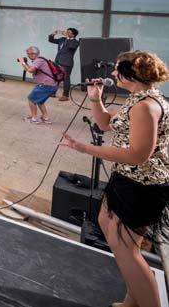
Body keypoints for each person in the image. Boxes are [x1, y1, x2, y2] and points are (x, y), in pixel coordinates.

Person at [60, 51, 169, 307]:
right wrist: (95, 100)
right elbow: (107, 123)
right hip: (126, 180)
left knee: (127, 250)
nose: (111, 73)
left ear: (131, 73)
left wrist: (86, 149)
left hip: (142, 186)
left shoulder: (146, 106)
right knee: (107, 224)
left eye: (117, 68)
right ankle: (132, 299)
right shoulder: (137, 99)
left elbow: (138, 155)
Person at [18, 46, 59, 124]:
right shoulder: (40, 60)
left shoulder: (38, 60)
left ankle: (34, 119)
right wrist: (25, 63)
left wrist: (22, 62)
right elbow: (33, 70)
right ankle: (46, 118)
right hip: (51, 85)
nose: (28, 56)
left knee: (31, 99)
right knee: (40, 101)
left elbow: (30, 70)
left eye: (29, 54)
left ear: (34, 54)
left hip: (45, 85)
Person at [48, 28, 80, 101]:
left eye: (69, 32)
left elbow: (71, 47)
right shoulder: (62, 39)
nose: (66, 32)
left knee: (66, 78)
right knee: (56, 77)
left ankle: (65, 95)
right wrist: (53, 34)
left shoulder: (76, 42)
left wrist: (68, 38)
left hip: (67, 63)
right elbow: (51, 40)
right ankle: (53, 92)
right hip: (58, 61)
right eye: (66, 31)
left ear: (73, 34)